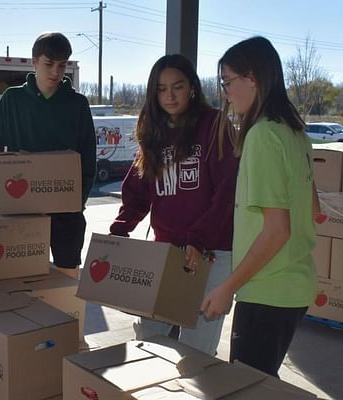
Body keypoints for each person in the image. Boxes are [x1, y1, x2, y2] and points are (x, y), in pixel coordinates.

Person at [200, 36, 320, 377]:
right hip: (295, 284)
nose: (225, 93)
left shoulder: (262, 136)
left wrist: (227, 287)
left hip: (268, 290)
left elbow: (277, 229)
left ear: (252, 78)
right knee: (262, 383)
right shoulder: (295, 132)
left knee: (246, 386)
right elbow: (313, 208)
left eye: (227, 82)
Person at [109, 54, 239, 355]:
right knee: (149, 345)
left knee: (195, 354)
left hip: (210, 253)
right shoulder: (153, 130)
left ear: (192, 88)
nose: (169, 95)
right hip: (166, 253)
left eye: (177, 87)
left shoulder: (214, 125)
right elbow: (137, 190)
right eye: (161, 88)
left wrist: (198, 240)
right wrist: (120, 230)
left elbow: (226, 192)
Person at [0, 32, 96, 279]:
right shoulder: (13, 100)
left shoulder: (77, 104)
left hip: (67, 213)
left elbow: (88, 157)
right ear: (34, 62)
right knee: (23, 278)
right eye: (49, 64)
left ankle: (67, 317)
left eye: (62, 65)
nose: (55, 71)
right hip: (22, 210)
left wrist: (78, 200)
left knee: (67, 279)